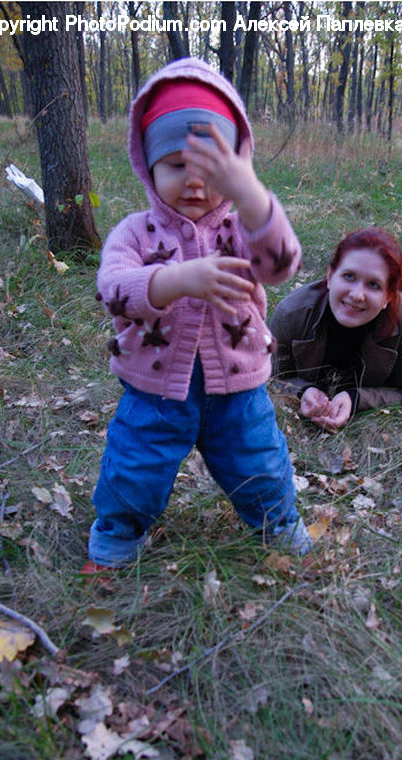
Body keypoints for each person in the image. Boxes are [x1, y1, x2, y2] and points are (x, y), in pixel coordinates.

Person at [82, 57, 311, 576]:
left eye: (208, 170)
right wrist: (176, 281)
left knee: (259, 461)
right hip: (155, 390)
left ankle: (276, 522)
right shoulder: (135, 233)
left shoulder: (242, 227)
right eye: (174, 165)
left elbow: (281, 264)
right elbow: (112, 290)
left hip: (239, 387)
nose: (192, 182)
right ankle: (118, 528)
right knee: (135, 464)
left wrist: (252, 194)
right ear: (148, 166)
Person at [269, 188, 402, 433]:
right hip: (382, 301)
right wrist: (302, 391)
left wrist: (356, 399)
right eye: (349, 276)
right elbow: (268, 375)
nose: (356, 294)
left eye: (373, 284)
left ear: (388, 295)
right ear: (330, 275)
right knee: (382, 284)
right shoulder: (292, 313)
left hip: (396, 310)